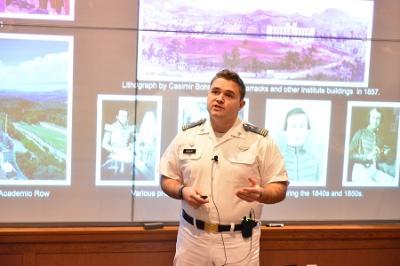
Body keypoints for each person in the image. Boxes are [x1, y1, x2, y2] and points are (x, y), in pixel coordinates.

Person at [158, 69, 288, 265]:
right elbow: (166, 178)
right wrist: (182, 191)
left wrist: (262, 194)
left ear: (241, 104)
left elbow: (279, 187)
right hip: (193, 238)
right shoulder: (187, 135)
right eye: (215, 92)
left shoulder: (260, 141)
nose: (219, 98)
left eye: (228, 95)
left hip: (239, 241)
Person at [349, 107, 396, 184]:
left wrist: (385, 153)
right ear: (369, 118)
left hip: (376, 169)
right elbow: (349, 154)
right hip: (361, 171)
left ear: (381, 121)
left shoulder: (381, 137)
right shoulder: (360, 133)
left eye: (378, 118)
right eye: (373, 117)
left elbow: (383, 156)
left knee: (392, 182)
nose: (375, 121)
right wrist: (367, 156)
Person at [282, 107, 319, 184]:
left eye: (301, 126)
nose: (297, 131)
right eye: (293, 126)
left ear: (307, 131)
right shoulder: (275, 161)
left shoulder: (314, 162)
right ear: (285, 131)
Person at [102, 109, 135, 175]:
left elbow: (133, 142)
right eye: (122, 116)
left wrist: (131, 146)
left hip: (127, 155)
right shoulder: (111, 127)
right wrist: (114, 150)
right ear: (117, 117)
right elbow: (104, 144)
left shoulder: (130, 128)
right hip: (114, 155)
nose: (124, 118)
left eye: (125, 116)